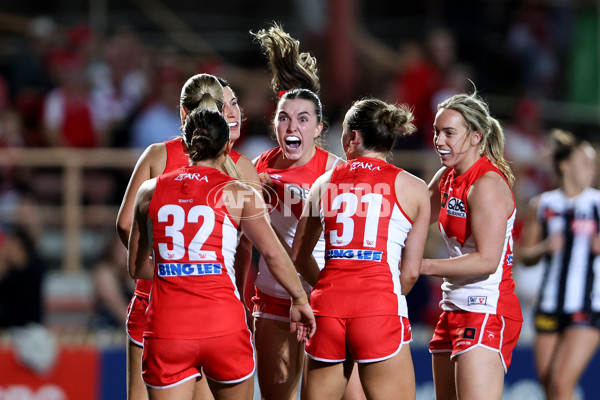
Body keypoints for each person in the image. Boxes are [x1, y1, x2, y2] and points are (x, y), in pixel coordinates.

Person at [127, 108, 316, 400]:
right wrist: (300, 299)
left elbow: (137, 268)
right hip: (223, 326)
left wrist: (181, 268)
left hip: (168, 328)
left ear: (187, 144)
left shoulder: (149, 191)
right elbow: (273, 254)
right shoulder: (236, 192)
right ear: (227, 147)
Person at [116, 73, 259, 400]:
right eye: (230, 103)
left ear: (185, 114)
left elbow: (125, 224)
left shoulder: (157, 155)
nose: (235, 110)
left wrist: (163, 262)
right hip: (216, 309)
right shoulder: (241, 169)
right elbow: (247, 249)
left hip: (157, 302)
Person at [250, 24, 367, 400]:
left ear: (318, 128)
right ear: (274, 125)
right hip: (274, 302)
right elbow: (236, 241)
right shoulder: (257, 171)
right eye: (284, 117)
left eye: (303, 119)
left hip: (327, 301)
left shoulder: (337, 173)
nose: (292, 125)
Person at [290, 98, 429, 399]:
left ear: (353, 137)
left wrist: (329, 286)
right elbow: (411, 273)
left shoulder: (323, 183)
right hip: (378, 306)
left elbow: (299, 256)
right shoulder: (415, 187)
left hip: (327, 307)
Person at [420, 91, 523, 400]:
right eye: (437, 131)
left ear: (476, 136)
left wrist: (422, 265)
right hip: (452, 307)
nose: (439, 140)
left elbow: (486, 261)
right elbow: (410, 216)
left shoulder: (487, 184)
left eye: (449, 132)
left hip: (485, 308)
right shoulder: (446, 176)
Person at [518, 129, 600, 400]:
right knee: (549, 386)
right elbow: (525, 256)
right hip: (549, 304)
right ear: (565, 166)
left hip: (586, 307)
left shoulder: (597, 204)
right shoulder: (543, 204)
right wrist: (544, 247)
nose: (592, 169)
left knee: (561, 383)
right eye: (585, 162)